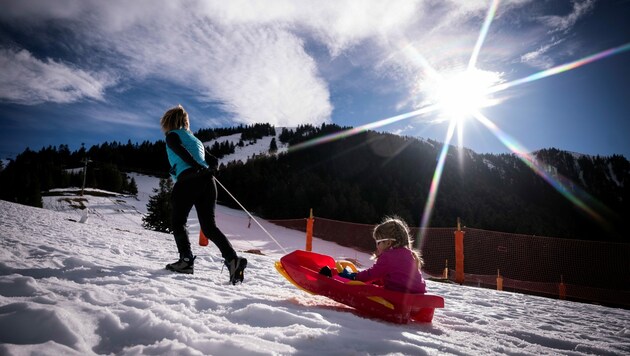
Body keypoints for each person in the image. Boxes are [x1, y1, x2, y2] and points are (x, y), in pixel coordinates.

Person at [160, 104, 247, 284]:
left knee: (178, 221)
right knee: (209, 227)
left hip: (187, 180)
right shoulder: (195, 140)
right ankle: (232, 259)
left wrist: (194, 166)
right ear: (185, 121)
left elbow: (179, 150)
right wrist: (208, 169)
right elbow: (213, 159)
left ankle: (185, 261)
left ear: (169, 121)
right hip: (208, 182)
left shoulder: (172, 136)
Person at [338, 217, 426, 294]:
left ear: (388, 242)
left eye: (378, 242)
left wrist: (355, 276)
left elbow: (373, 273)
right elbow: (398, 277)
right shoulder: (409, 254)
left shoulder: (388, 256)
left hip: (400, 294)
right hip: (417, 292)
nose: (377, 246)